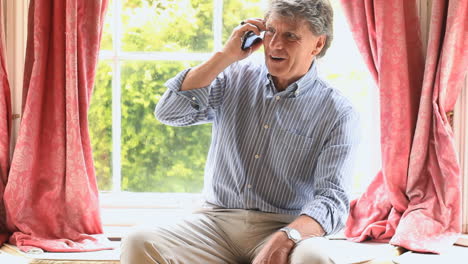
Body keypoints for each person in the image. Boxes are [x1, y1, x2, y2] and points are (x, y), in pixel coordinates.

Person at [121, 0, 360, 263]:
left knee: (314, 258)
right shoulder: (233, 77)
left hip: (286, 226)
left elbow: (332, 199)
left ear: (317, 44)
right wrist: (225, 56)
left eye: (290, 36)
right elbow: (171, 112)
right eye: (270, 32)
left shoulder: (337, 112)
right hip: (214, 224)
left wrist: (286, 237)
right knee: (139, 240)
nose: (275, 44)